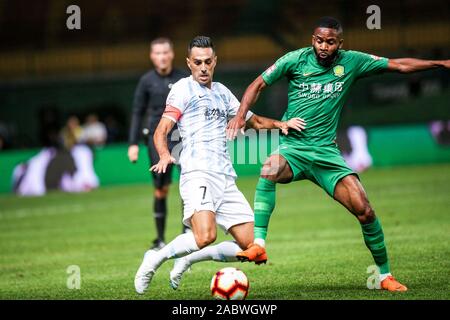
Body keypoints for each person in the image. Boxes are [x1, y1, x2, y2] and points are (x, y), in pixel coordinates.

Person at [226, 16, 450, 292]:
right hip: (294, 148)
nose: (323, 46)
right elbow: (257, 85)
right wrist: (239, 117)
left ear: (339, 43)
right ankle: (259, 245)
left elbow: (399, 65)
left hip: (326, 154)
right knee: (269, 168)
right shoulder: (295, 59)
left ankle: (384, 276)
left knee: (364, 211)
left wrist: (441, 63)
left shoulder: (353, 61)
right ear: (312, 40)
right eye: (319, 40)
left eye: (330, 42)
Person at [134, 36, 305, 294]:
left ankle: (189, 258)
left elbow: (254, 122)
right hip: (197, 174)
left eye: (207, 62)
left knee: (255, 250)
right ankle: (155, 258)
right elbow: (162, 130)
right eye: (197, 62)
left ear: (215, 61)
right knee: (205, 236)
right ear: (189, 63)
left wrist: (281, 124)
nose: (203, 67)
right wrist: (164, 154)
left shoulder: (223, 93)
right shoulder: (182, 89)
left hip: (225, 177)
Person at [128, 37, 188, 250]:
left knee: (187, 185)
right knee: (161, 189)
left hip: (181, 137)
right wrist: (133, 143)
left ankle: (186, 234)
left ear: (171, 54)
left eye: (165, 53)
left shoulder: (184, 78)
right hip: (156, 139)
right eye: (157, 53)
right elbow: (137, 112)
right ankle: (160, 239)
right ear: (152, 56)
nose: (162, 57)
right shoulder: (146, 81)